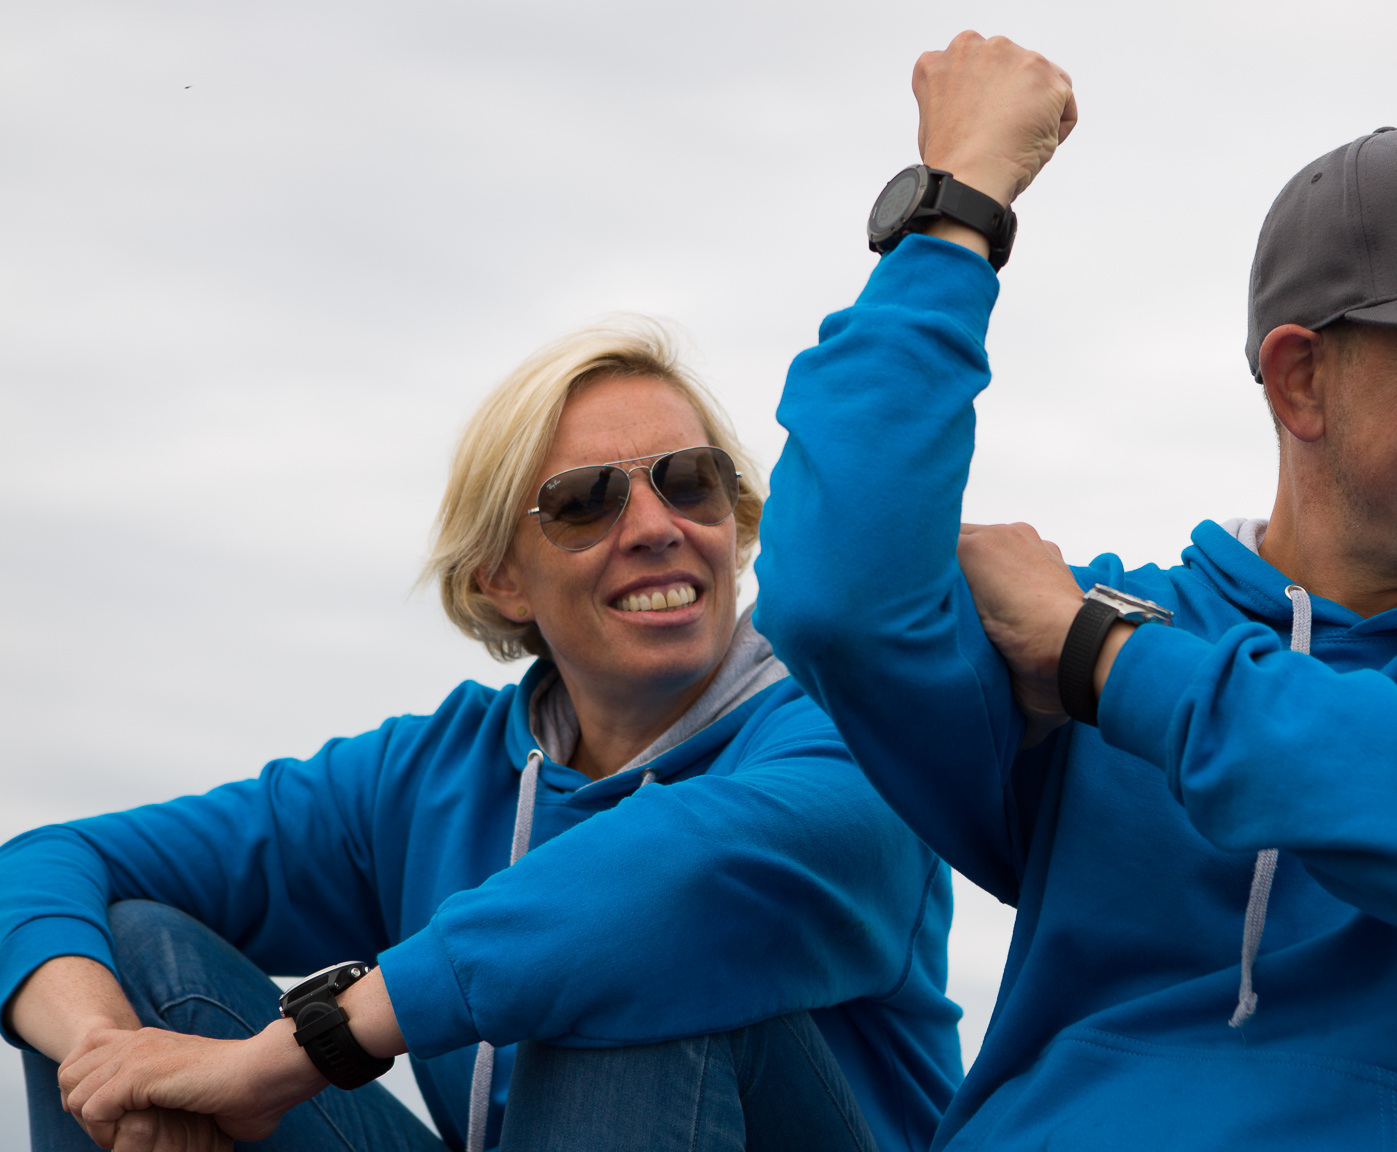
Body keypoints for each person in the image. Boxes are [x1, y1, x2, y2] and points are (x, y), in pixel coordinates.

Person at [754, 32, 1397, 1151]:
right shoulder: (1097, 630)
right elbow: (832, 600)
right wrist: (958, 208)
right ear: (1300, 381)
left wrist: (1111, 665)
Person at [1, 319, 960, 1152]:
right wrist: (105, 1057)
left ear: (734, 518)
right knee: (128, 949)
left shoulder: (855, 728)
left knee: (630, 977)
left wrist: (301, 1050)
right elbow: (43, 863)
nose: (657, 526)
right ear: (500, 578)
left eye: (690, 482)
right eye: (585, 501)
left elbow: (671, 880)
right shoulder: (428, 775)